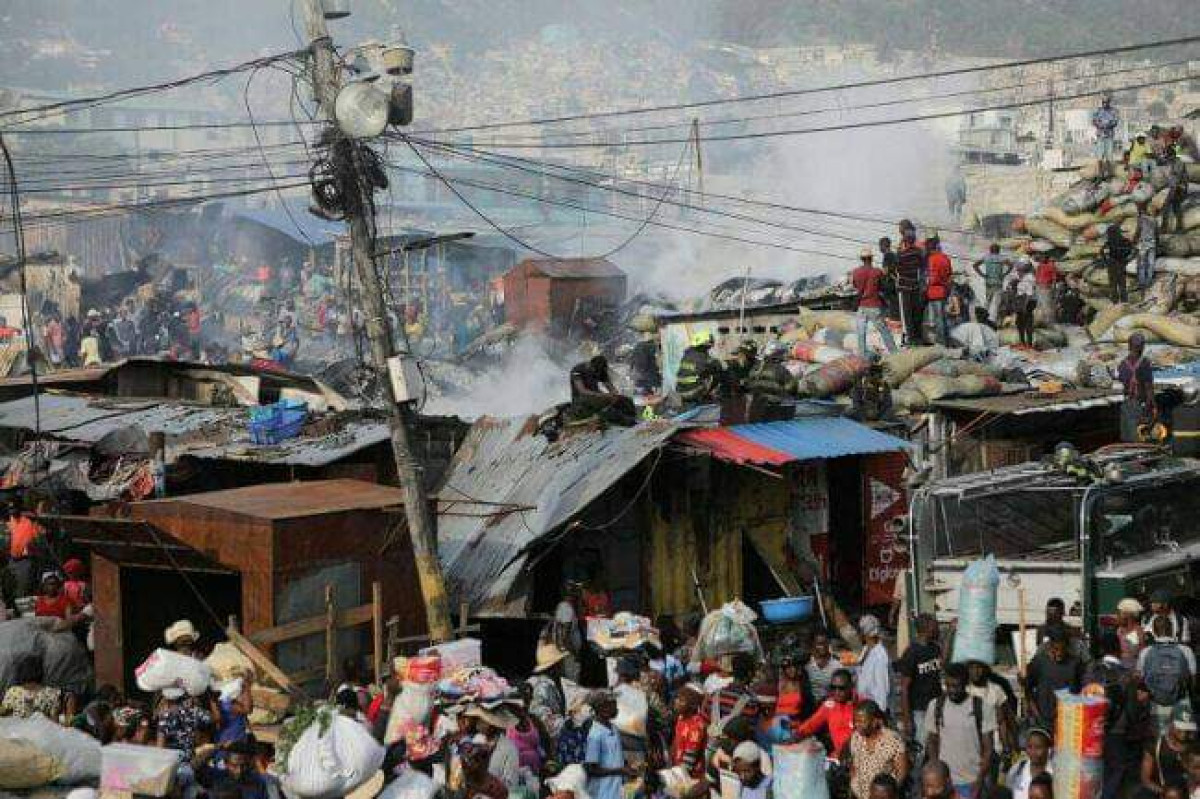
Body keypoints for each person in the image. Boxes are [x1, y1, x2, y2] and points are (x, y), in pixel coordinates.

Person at [925, 663, 995, 799]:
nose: (952, 690)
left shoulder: (982, 706)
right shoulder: (935, 706)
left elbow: (988, 748)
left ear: (966, 684)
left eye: (956, 686)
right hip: (944, 784)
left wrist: (980, 779)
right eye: (948, 685)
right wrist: (936, 770)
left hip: (972, 782)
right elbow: (932, 741)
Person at [1138, 616, 1195, 734]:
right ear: (1173, 629)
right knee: (1182, 738)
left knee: (1159, 736)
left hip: (1156, 702)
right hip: (1181, 700)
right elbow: (1193, 678)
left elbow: (1140, 678)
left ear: (1153, 631)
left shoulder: (1146, 652)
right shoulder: (1186, 650)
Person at [848, 700, 908, 799]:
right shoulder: (856, 737)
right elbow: (854, 765)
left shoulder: (893, 740)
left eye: (862, 721)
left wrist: (890, 793)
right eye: (856, 721)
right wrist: (853, 784)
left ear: (875, 721)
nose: (857, 725)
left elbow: (902, 772)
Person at [1025, 627, 1085, 727]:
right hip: (1043, 719)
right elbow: (1028, 688)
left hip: (1067, 719)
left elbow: (1081, 691)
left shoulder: (1076, 664)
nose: (1059, 653)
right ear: (1050, 647)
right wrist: (1035, 712)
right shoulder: (1040, 662)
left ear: (1068, 647)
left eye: (1063, 650)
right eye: (1056, 649)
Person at [898, 614, 943, 745]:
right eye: (935, 626)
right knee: (922, 749)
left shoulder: (934, 648)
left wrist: (951, 633)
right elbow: (904, 688)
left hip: (936, 708)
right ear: (926, 628)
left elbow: (943, 661)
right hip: (919, 711)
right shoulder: (912, 652)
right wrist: (908, 720)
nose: (938, 629)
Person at [796, 668, 858, 759]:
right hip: (838, 758)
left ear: (851, 687)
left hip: (859, 758)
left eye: (841, 688)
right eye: (833, 688)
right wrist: (795, 735)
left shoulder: (862, 705)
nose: (837, 692)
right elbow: (811, 725)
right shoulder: (829, 705)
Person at [585, 692, 632, 799]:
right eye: (613, 705)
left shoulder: (614, 728)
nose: (616, 708)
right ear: (602, 709)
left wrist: (626, 766)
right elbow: (592, 769)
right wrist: (620, 770)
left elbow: (614, 756)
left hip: (616, 789)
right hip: (603, 792)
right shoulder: (595, 735)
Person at [1142, 705, 1197, 796]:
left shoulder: (1193, 746)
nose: (1184, 732)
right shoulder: (1155, 746)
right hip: (1162, 791)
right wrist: (1165, 793)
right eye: (1180, 727)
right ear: (1171, 724)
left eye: (1187, 728)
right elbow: (1145, 779)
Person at [966, 661, 1017, 760]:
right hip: (970, 747)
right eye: (972, 668)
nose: (975, 672)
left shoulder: (995, 690)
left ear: (985, 668)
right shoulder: (965, 691)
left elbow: (1004, 721)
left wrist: (1007, 747)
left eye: (978, 668)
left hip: (994, 747)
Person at [852, 248, 898, 357]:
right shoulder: (877, 272)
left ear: (862, 259)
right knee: (884, 330)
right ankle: (895, 353)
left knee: (861, 331)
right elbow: (884, 287)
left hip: (861, 306)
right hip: (874, 305)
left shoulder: (855, 272)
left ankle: (862, 355)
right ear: (871, 258)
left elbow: (855, 286)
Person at [1, 653, 72, 720]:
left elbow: (5, 716)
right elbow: (54, 721)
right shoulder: (52, 693)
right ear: (41, 672)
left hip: (16, 731)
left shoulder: (13, 692)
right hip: (42, 731)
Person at [194, 738, 269, 799]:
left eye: (244, 765)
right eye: (234, 766)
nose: (239, 770)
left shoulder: (258, 783)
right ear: (226, 764)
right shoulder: (216, 776)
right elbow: (197, 764)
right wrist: (219, 746)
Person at [568, 355, 633, 425]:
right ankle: (626, 422)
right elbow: (582, 390)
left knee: (625, 400)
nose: (596, 373)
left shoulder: (600, 369)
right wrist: (605, 395)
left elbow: (610, 387)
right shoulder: (577, 371)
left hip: (597, 397)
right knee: (605, 408)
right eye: (594, 371)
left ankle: (634, 417)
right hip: (582, 400)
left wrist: (614, 395)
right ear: (591, 365)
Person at [1118, 333, 1157, 443]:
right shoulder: (1145, 363)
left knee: (1127, 435)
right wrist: (1153, 406)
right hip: (1140, 405)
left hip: (1126, 404)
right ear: (1142, 347)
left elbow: (1123, 380)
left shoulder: (1122, 364)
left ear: (1129, 346)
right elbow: (1148, 388)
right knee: (1142, 435)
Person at [528, 642, 569, 740]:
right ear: (554, 666)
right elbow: (537, 711)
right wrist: (564, 725)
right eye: (561, 663)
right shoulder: (543, 686)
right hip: (549, 739)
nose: (563, 665)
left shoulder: (556, 683)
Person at [895, 222, 926, 345]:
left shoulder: (901, 254)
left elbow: (897, 269)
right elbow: (922, 266)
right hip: (916, 286)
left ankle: (910, 340)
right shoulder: (919, 252)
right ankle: (918, 338)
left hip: (904, 287)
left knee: (906, 316)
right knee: (916, 314)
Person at [675, 331, 722, 408]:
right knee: (717, 373)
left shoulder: (687, 354)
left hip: (680, 391)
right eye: (709, 344)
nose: (710, 347)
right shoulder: (704, 358)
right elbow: (716, 369)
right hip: (693, 392)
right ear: (704, 344)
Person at [548, 583, 584, 682]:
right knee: (571, 682)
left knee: (566, 681)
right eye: (576, 594)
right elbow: (564, 636)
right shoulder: (567, 609)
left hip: (565, 652)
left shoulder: (563, 606)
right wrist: (574, 653)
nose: (578, 597)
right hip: (569, 654)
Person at [7, 503, 44, 597]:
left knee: (23, 588)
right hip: (13, 559)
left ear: (20, 509)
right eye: (10, 508)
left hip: (26, 560)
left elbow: (39, 537)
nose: (12, 511)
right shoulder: (11, 520)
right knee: (11, 586)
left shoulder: (29, 521)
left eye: (14, 508)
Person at [672, 683, 707, 778]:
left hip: (690, 775)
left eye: (682, 701)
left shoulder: (696, 725)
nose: (677, 702)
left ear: (693, 706)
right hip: (677, 768)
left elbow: (690, 757)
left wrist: (680, 777)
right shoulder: (681, 718)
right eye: (677, 698)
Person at [857, 615, 890, 713]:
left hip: (874, 709)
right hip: (864, 705)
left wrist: (880, 713)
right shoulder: (866, 649)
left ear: (864, 634)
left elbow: (882, 688)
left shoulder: (880, 656)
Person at [972, 244, 1013, 323]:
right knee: (997, 302)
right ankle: (995, 320)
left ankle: (983, 319)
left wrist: (982, 274)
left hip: (988, 282)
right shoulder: (1002, 258)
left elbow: (975, 265)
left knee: (987, 301)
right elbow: (1011, 265)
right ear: (998, 250)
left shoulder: (986, 257)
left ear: (990, 250)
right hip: (998, 282)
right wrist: (1004, 274)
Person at [1006, 728, 1052, 799]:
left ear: (1048, 748)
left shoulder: (1054, 773)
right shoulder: (1017, 769)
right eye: (1029, 747)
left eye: (1038, 747)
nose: (1033, 752)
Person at [925, 236, 953, 347]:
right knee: (942, 318)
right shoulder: (945, 258)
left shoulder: (931, 259)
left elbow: (933, 277)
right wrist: (947, 287)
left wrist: (927, 284)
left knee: (938, 319)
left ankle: (941, 343)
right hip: (944, 290)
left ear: (930, 247)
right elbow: (950, 275)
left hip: (934, 291)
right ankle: (946, 341)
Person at [1102, 223, 1134, 304]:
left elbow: (1102, 251)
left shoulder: (1109, 242)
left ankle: (1115, 302)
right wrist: (1127, 258)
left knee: (1113, 284)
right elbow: (1131, 249)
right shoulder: (1124, 241)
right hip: (1120, 263)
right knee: (1122, 284)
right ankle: (1124, 302)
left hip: (1111, 263)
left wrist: (1105, 261)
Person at [807, 633, 841, 704]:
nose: (823, 646)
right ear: (813, 645)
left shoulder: (837, 665)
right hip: (810, 706)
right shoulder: (807, 665)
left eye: (826, 643)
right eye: (819, 644)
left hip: (830, 704)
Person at [1092, 95, 1120, 178]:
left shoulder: (1113, 111)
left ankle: (1109, 172)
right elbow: (1094, 121)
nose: (1105, 104)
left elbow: (1115, 122)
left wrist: (1108, 125)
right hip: (1100, 136)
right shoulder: (1098, 111)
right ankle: (1101, 172)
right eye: (1103, 102)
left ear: (1109, 103)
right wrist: (1100, 125)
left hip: (1109, 136)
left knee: (1109, 155)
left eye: (1106, 102)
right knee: (1100, 155)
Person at [1162, 148, 1189, 234]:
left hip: (1179, 188)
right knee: (1175, 207)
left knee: (1168, 207)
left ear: (1172, 155)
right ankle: (1178, 228)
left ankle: (1166, 228)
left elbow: (1177, 176)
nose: (1168, 159)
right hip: (1175, 187)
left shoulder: (1179, 163)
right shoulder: (1172, 162)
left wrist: (1169, 173)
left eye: (1169, 156)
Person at [1011, 262, 1037, 348]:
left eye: (1019, 271)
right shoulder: (1022, 278)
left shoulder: (1029, 279)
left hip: (1027, 302)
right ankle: (1022, 342)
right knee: (1019, 322)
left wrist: (1024, 306)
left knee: (1027, 323)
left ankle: (1029, 343)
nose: (1018, 272)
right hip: (1022, 301)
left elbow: (1029, 295)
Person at [1116, 598, 1147, 670]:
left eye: (1120, 613)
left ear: (1129, 615)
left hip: (1134, 668)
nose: (1118, 616)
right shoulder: (1119, 630)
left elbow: (1141, 652)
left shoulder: (1139, 631)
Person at [1136, 203, 1159, 291]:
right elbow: (1157, 234)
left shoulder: (1141, 219)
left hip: (1143, 244)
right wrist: (1158, 243)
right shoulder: (1154, 220)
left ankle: (1142, 283)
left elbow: (1138, 231)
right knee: (1150, 263)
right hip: (1152, 244)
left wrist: (1134, 241)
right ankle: (1148, 282)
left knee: (1142, 264)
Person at [1033, 253, 1059, 325]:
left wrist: (1053, 287)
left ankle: (1049, 321)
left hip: (1046, 287)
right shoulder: (1040, 266)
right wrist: (1036, 285)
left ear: (1046, 259)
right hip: (1039, 287)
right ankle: (1039, 319)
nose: (1042, 259)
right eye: (1041, 258)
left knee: (1047, 304)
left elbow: (1054, 278)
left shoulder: (1051, 266)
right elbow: (1037, 276)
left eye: (1043, 258)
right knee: (1039, 304)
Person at [879, 237, 900, 321]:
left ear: (884, 245)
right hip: (894, 284)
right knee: (894, 303)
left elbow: (885, 272)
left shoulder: (887, 255)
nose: (879, 248)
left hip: (890, 284)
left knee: (891, 304)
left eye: (880, 245)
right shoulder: (893, 254)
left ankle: (894, 320)